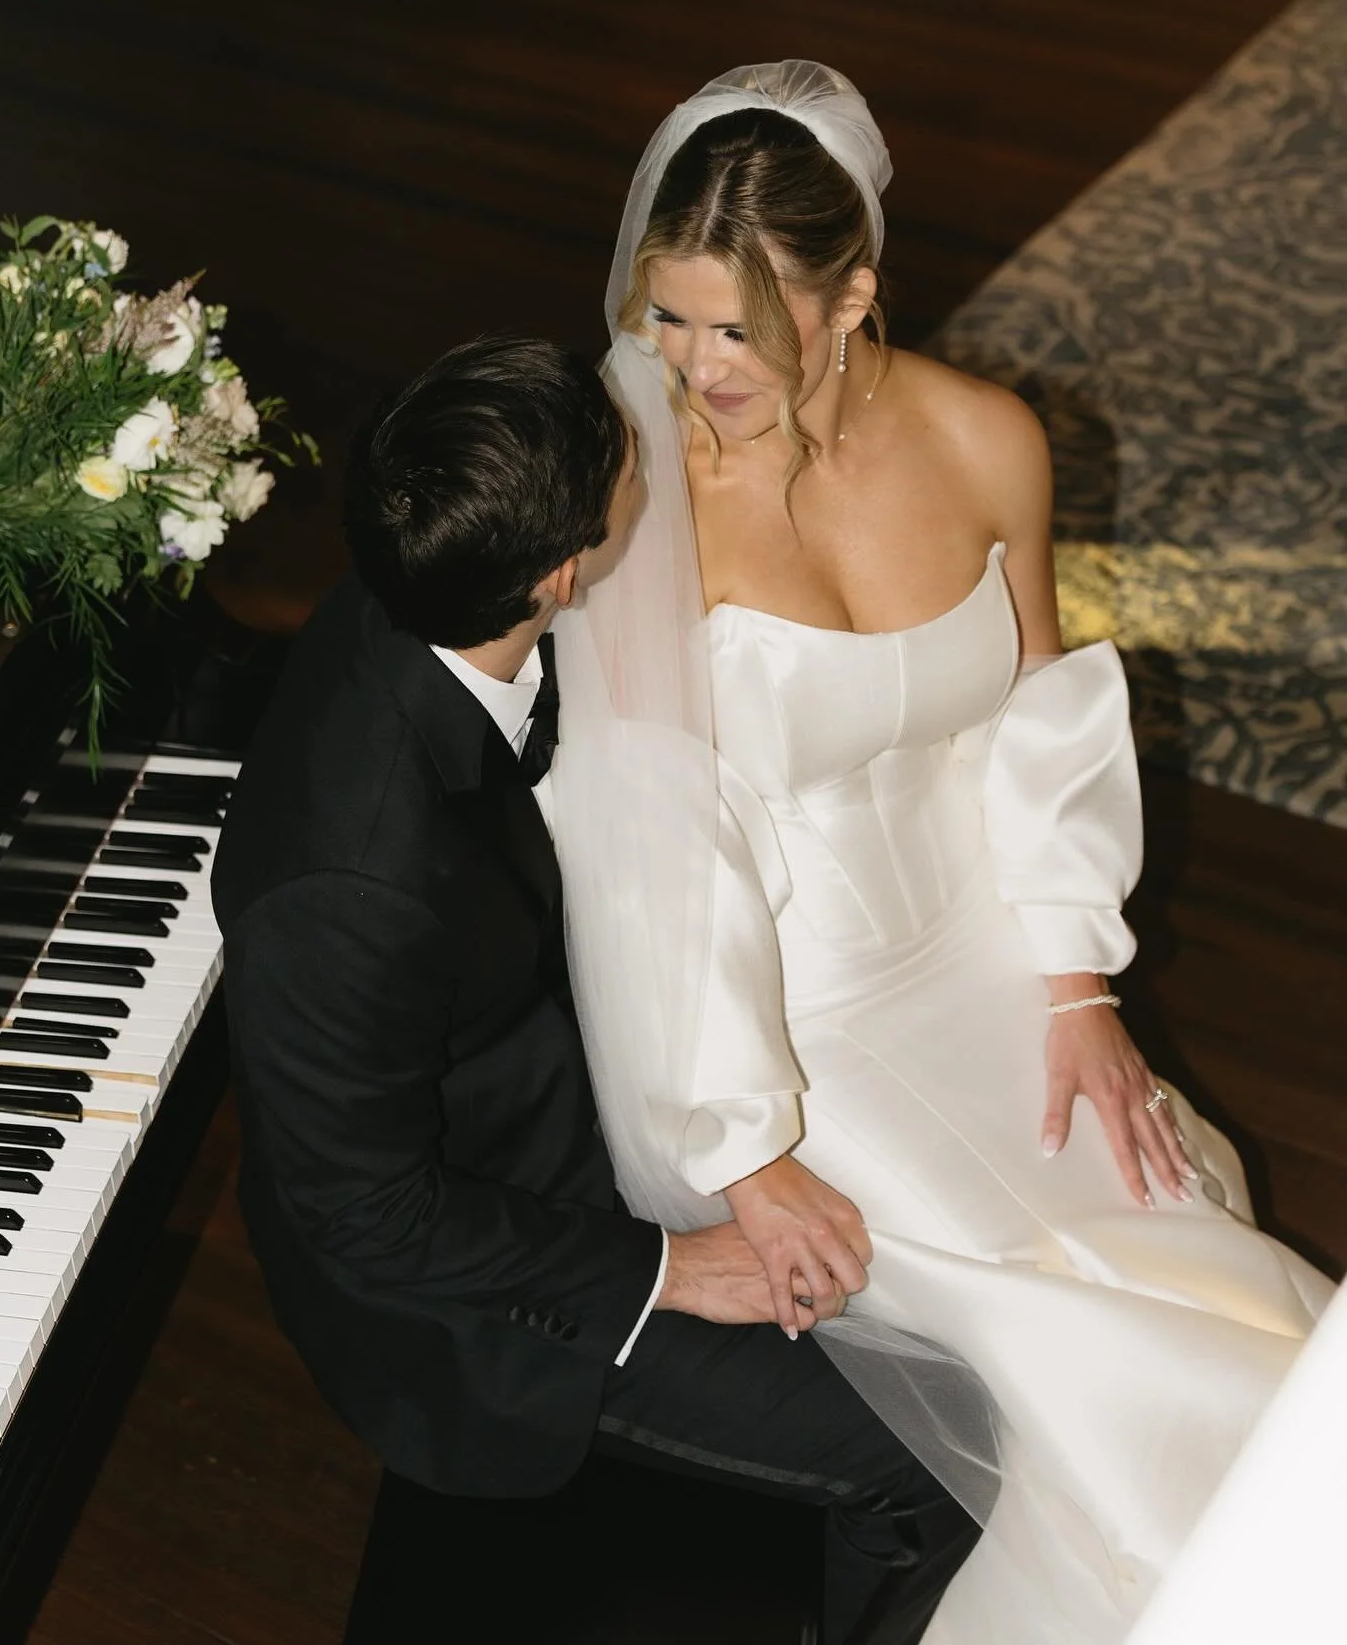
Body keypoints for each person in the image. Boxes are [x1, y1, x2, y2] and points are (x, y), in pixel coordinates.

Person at [549, 63, 1336, 1645]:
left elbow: (1040, 723)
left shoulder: (987, 439)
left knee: (1202, 1268)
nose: (697, 370)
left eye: (740, 330)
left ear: (852, 297)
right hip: (783, 1028)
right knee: (1085, 1348)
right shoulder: (639, 513)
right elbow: (648, 869)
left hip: (992, 955)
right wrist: (752, 1157)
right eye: (673, 320)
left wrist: (1075, 990)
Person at [210, 333, 983, 1645]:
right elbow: (366, 1214)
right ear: (564, 570)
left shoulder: (430, 580)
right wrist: (670, 1269)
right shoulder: (346, 885)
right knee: (933, 1447)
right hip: (492, 1288)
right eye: (632, 471)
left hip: (577, 1081)